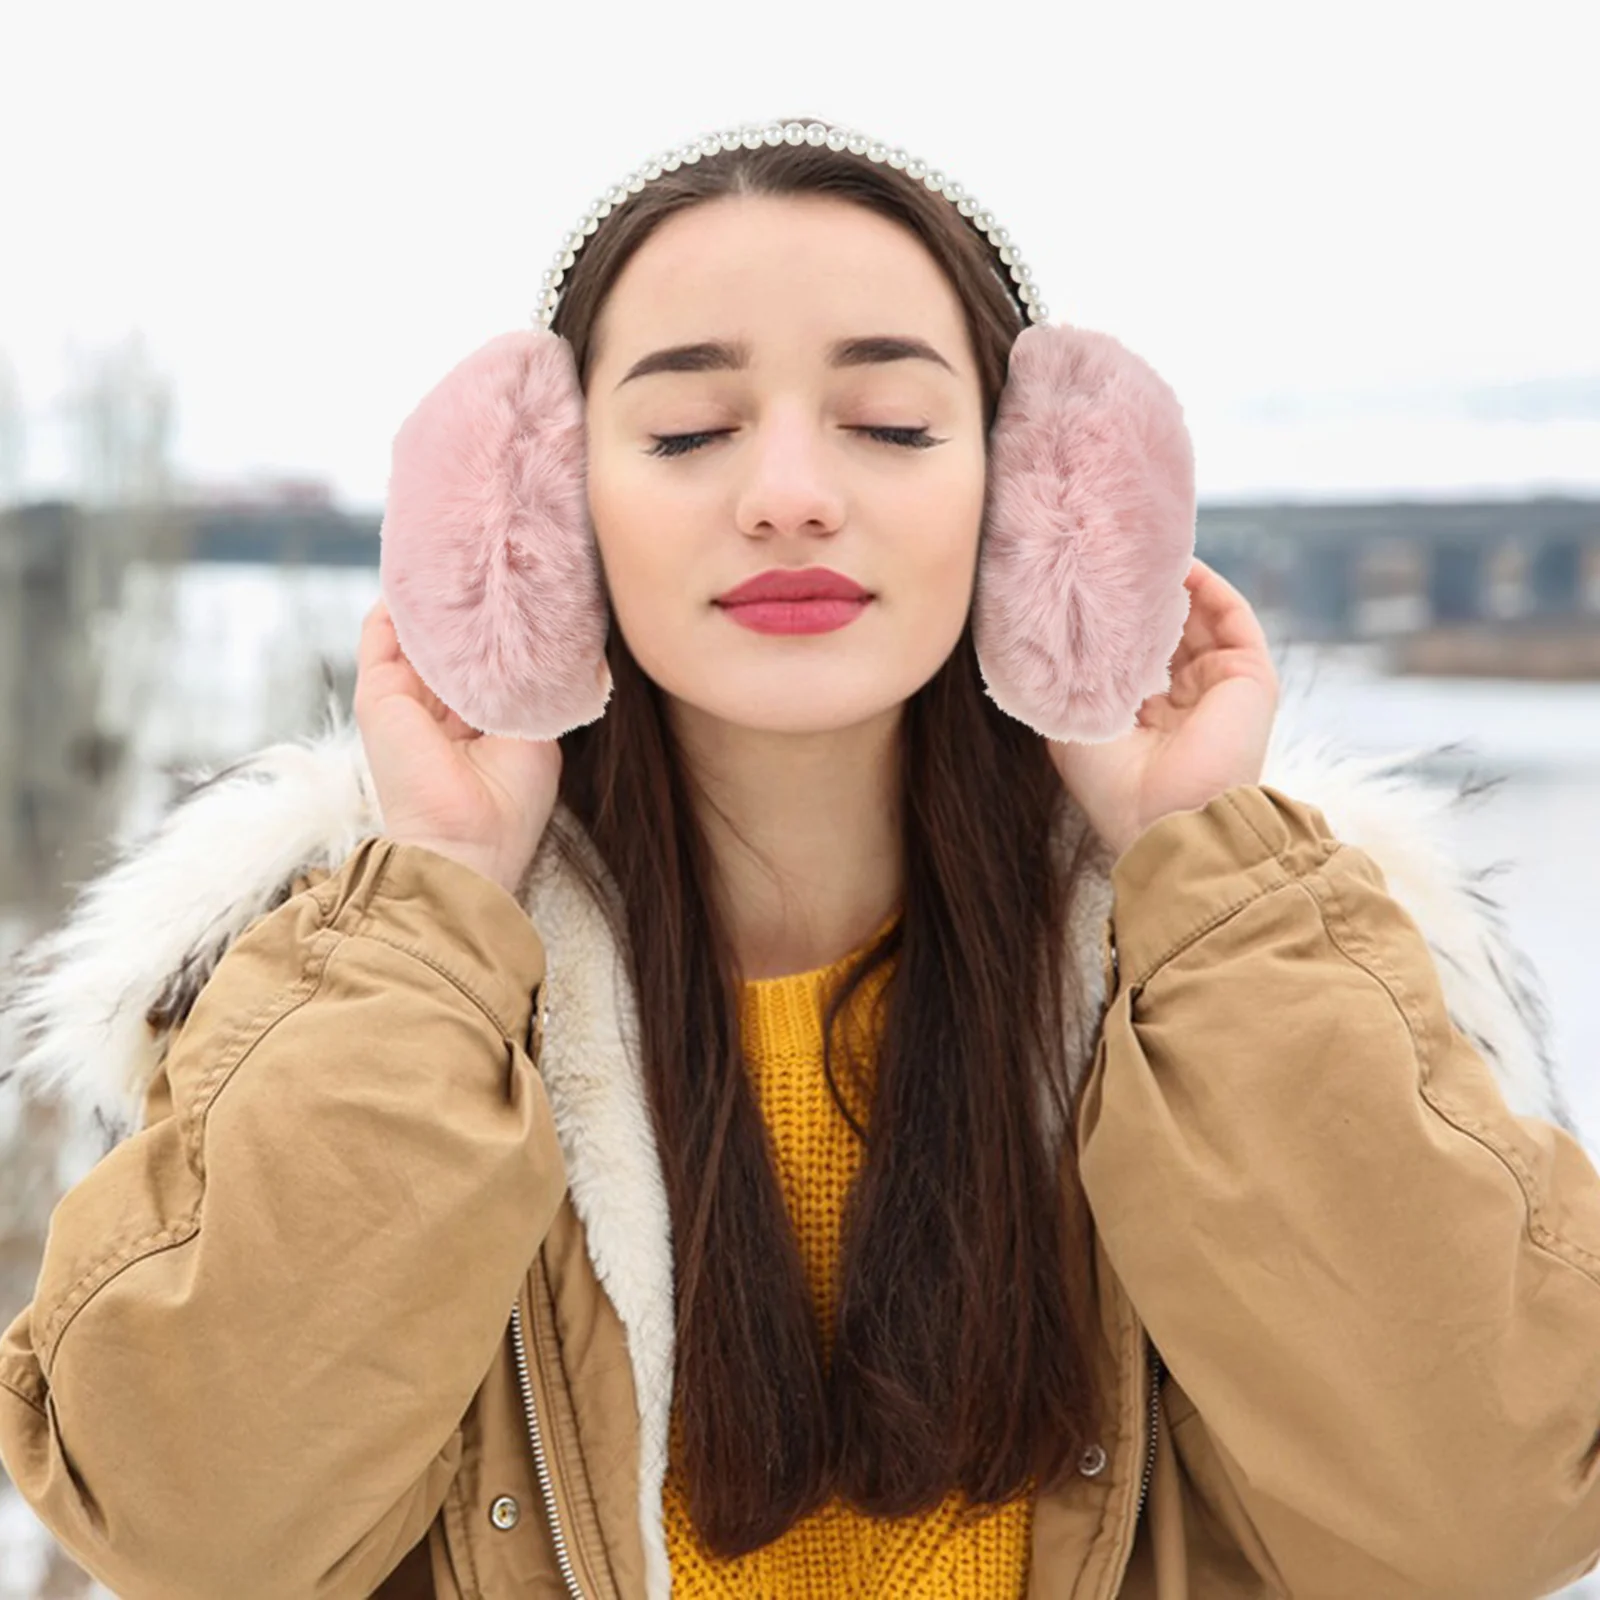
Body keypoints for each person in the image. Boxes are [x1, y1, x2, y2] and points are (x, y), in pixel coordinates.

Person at [3, 116, 1599, 1600]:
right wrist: (434, 898)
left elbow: (1489, 1512)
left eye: (893, 422)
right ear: (545, 517)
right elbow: (192, 1527)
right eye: (690, 429)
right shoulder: (352, 988)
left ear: (1037, 502)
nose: (788, 497)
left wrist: (1202, 874)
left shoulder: (1257, 965)